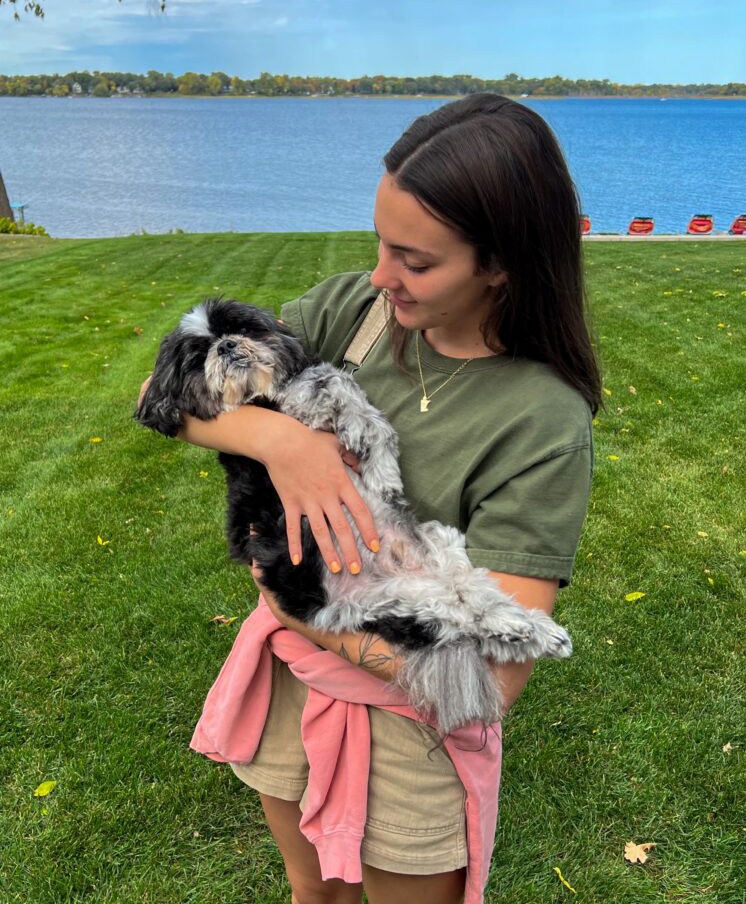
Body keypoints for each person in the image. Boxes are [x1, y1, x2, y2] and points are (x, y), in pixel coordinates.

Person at [139, 94, 601, 904]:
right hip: (291, 687)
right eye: (380, 244)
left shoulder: (540, 421)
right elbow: (161, 392)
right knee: (311, 891)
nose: (383, 276)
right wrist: (280, 441)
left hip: (411, 721)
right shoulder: (353, 313)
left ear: (501, 262)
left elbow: (490, 683)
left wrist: (299, 615)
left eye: (416, 261)